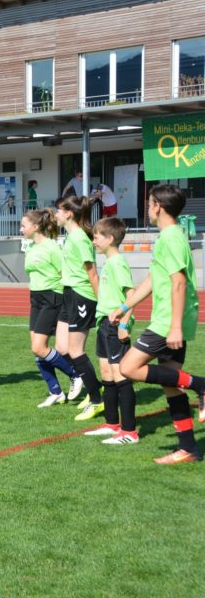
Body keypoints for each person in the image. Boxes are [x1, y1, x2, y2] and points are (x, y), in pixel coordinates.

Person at [110, 185, 205, 464]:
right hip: (170, 318)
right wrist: (125, 307)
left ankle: (201, 385)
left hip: (168, 321)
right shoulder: (169, 236)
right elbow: (153, 279)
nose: (147, 208)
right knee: (171, 385)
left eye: (149, 203)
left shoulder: (172, 237)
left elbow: (179, 282)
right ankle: (188, 449)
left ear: (157, 206)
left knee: (128, 367)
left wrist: (174, 327)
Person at [83, 217, 138, 444]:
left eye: (97, 237)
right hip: (104, 323)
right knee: (106, 374)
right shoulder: (109, 262)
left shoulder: (118, 263)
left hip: (116, 325)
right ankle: (111, 424)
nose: (94, 241)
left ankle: (129, 431)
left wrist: (124, 324)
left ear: (110, 238)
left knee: (120, 376)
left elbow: (132, 295)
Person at [21, 210, 81, 407]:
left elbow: (64, 273)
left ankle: (75, 375)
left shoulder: (53, 247)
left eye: (23, 225)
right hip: (35, 297)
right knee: (37, 349)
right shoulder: (30, 247)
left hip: (52, 297)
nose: (21, 229)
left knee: (39, 347)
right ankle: (55, 391)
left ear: (36, 226)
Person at [55, 195, 103, 420]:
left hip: (81, 295)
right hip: (69, 293)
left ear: (68, 213)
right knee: (61, 347)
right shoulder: (71, 236)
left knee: (75, 350)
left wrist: (102, 302)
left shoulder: (80, 238)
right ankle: (96, 386)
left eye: (58, 210)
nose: (55, 214)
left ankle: (97, 400)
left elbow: (92, 273)